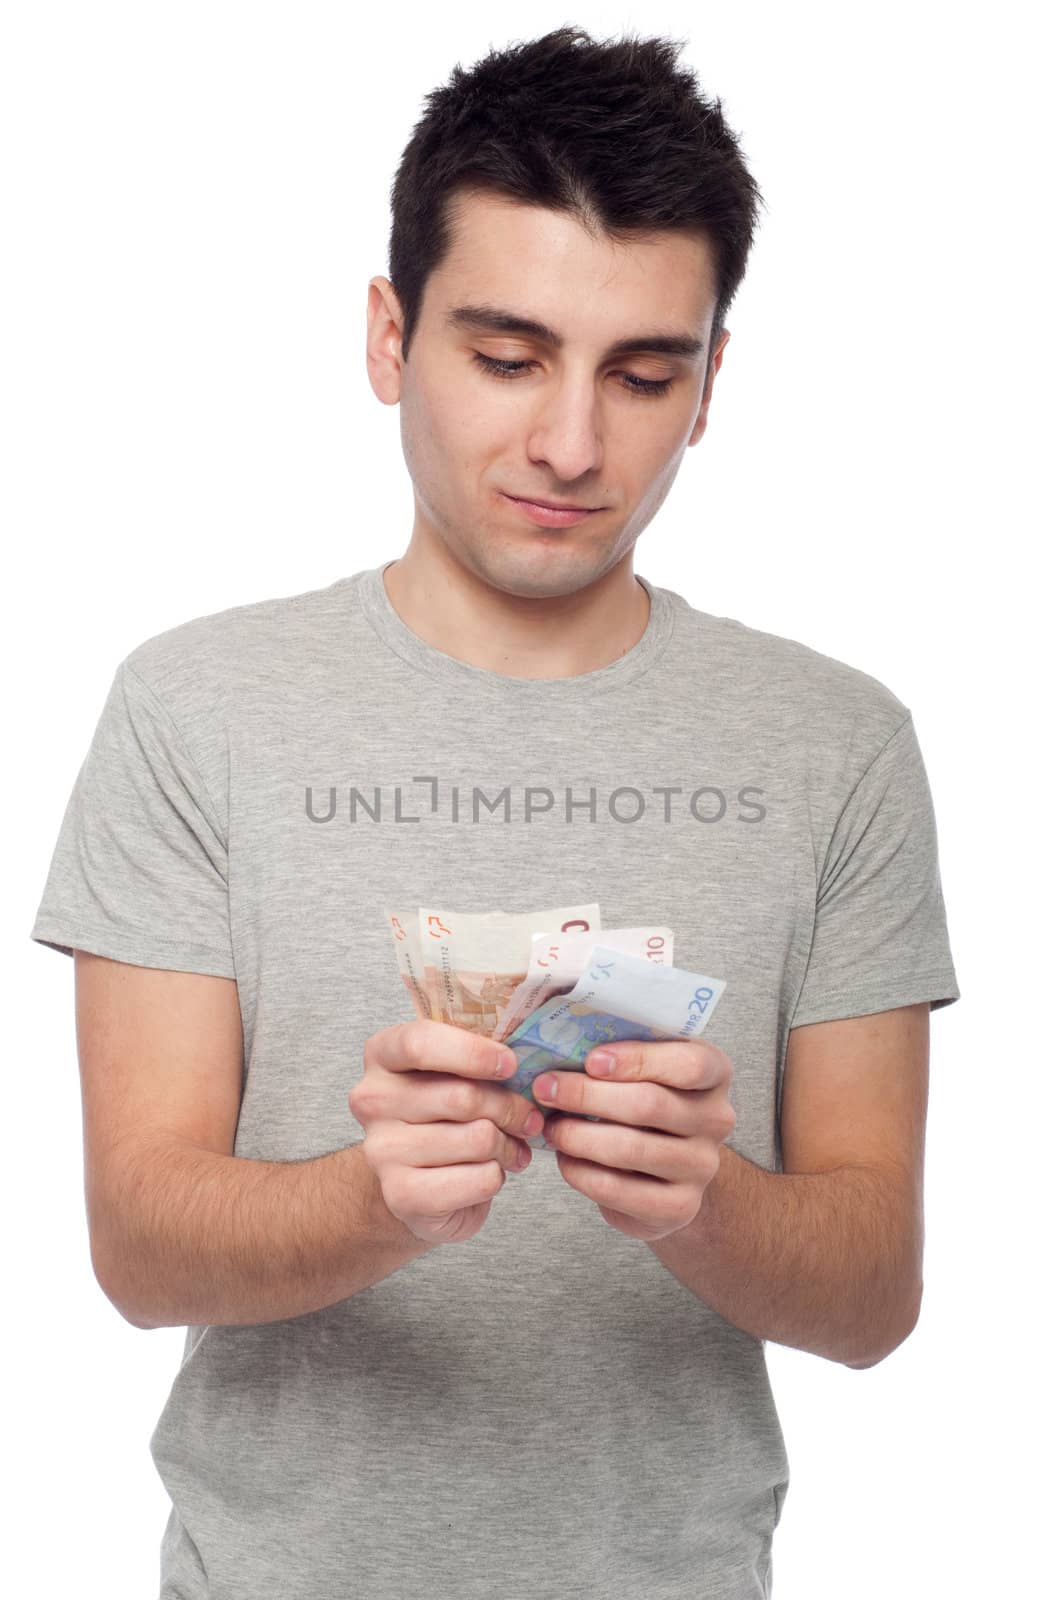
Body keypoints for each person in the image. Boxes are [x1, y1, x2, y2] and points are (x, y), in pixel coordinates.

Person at [29, 24, 960, 1600]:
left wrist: (706, 1204)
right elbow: (140, 1245)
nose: (572, 445)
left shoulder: (839, 744)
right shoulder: (195, 708)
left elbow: (873, 1297)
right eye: (509, 355)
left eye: (644, 372)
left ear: (713, 382)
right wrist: (367, 1201)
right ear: (390, 338)